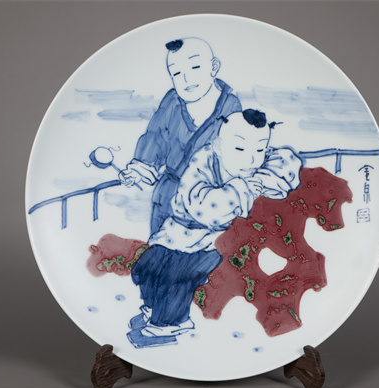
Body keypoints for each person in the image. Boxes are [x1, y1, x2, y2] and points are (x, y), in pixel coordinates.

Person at [127, 109, 302, 348]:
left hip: (218, 240)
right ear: (219, 146)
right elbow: (201, 206)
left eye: (260, 149)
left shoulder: (260, 166)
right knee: (148, 267)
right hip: (182, 230)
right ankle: (152, 308)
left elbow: (287, 163)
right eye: (240, 149)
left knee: (177, 274)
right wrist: (241, 189)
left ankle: (169, 324)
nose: (251, 159)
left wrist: (262, 180)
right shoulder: (203, 163)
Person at [121, 37, 242, 236]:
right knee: (160, 250)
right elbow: (155, 138)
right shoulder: (172, 100)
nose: (186, 79)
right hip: (168, 197)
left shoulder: (231, 106)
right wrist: (141, 167)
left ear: (213, 67)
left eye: (195, 67)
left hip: (209, 199)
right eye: (176, 73)